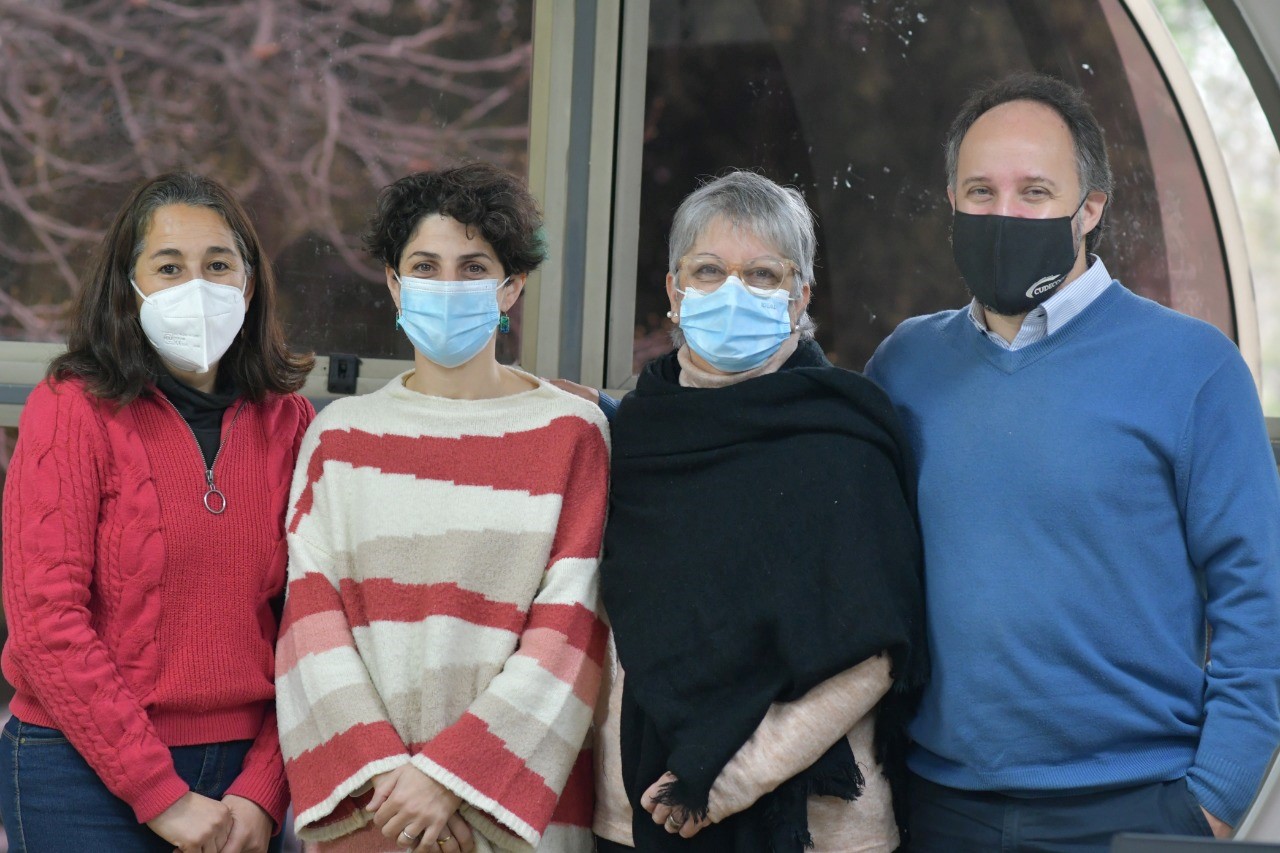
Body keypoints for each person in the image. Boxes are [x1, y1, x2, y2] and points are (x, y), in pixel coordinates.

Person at [864, 72, 1280, 851]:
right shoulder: (904, 365)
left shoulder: (1194, 368)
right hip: (939, 808)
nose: (1003, 213)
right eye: (980, 191)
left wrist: (1215, 798)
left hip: (1135, 807)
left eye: (1035, 192)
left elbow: (1260, 595)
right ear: (951, 200)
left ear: (1089, 208)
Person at [275, 162, 609, 853]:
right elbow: (310, 624)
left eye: (473, 268)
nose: (447, 286)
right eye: (425, 267)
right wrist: (390, 780)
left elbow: (573, 628)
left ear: (511, 287)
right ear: (394, 282)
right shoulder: (339, 437)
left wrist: (453, 778)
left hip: (514, 818)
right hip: (375, 813)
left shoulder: (571, 433)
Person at [593, 170, 927, 853]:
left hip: (811, 825)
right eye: (709, 270)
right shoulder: (635, 434)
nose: (732, 291)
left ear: (800, 296)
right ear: (674, 292)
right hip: (638, 809)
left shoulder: (841, 436)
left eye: (762, 274)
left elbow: (876, 646)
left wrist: (726, 779)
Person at [0, 171, 316, 852]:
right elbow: (45, 623)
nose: (196, 287)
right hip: (77, 770)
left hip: (243, 776)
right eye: (169, 267)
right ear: (129, 287)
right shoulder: (70, 407)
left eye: (218, 265)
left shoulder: (290, 422)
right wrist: (157, 792)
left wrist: (265, 788)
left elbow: (311, 624)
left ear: (250, 284)